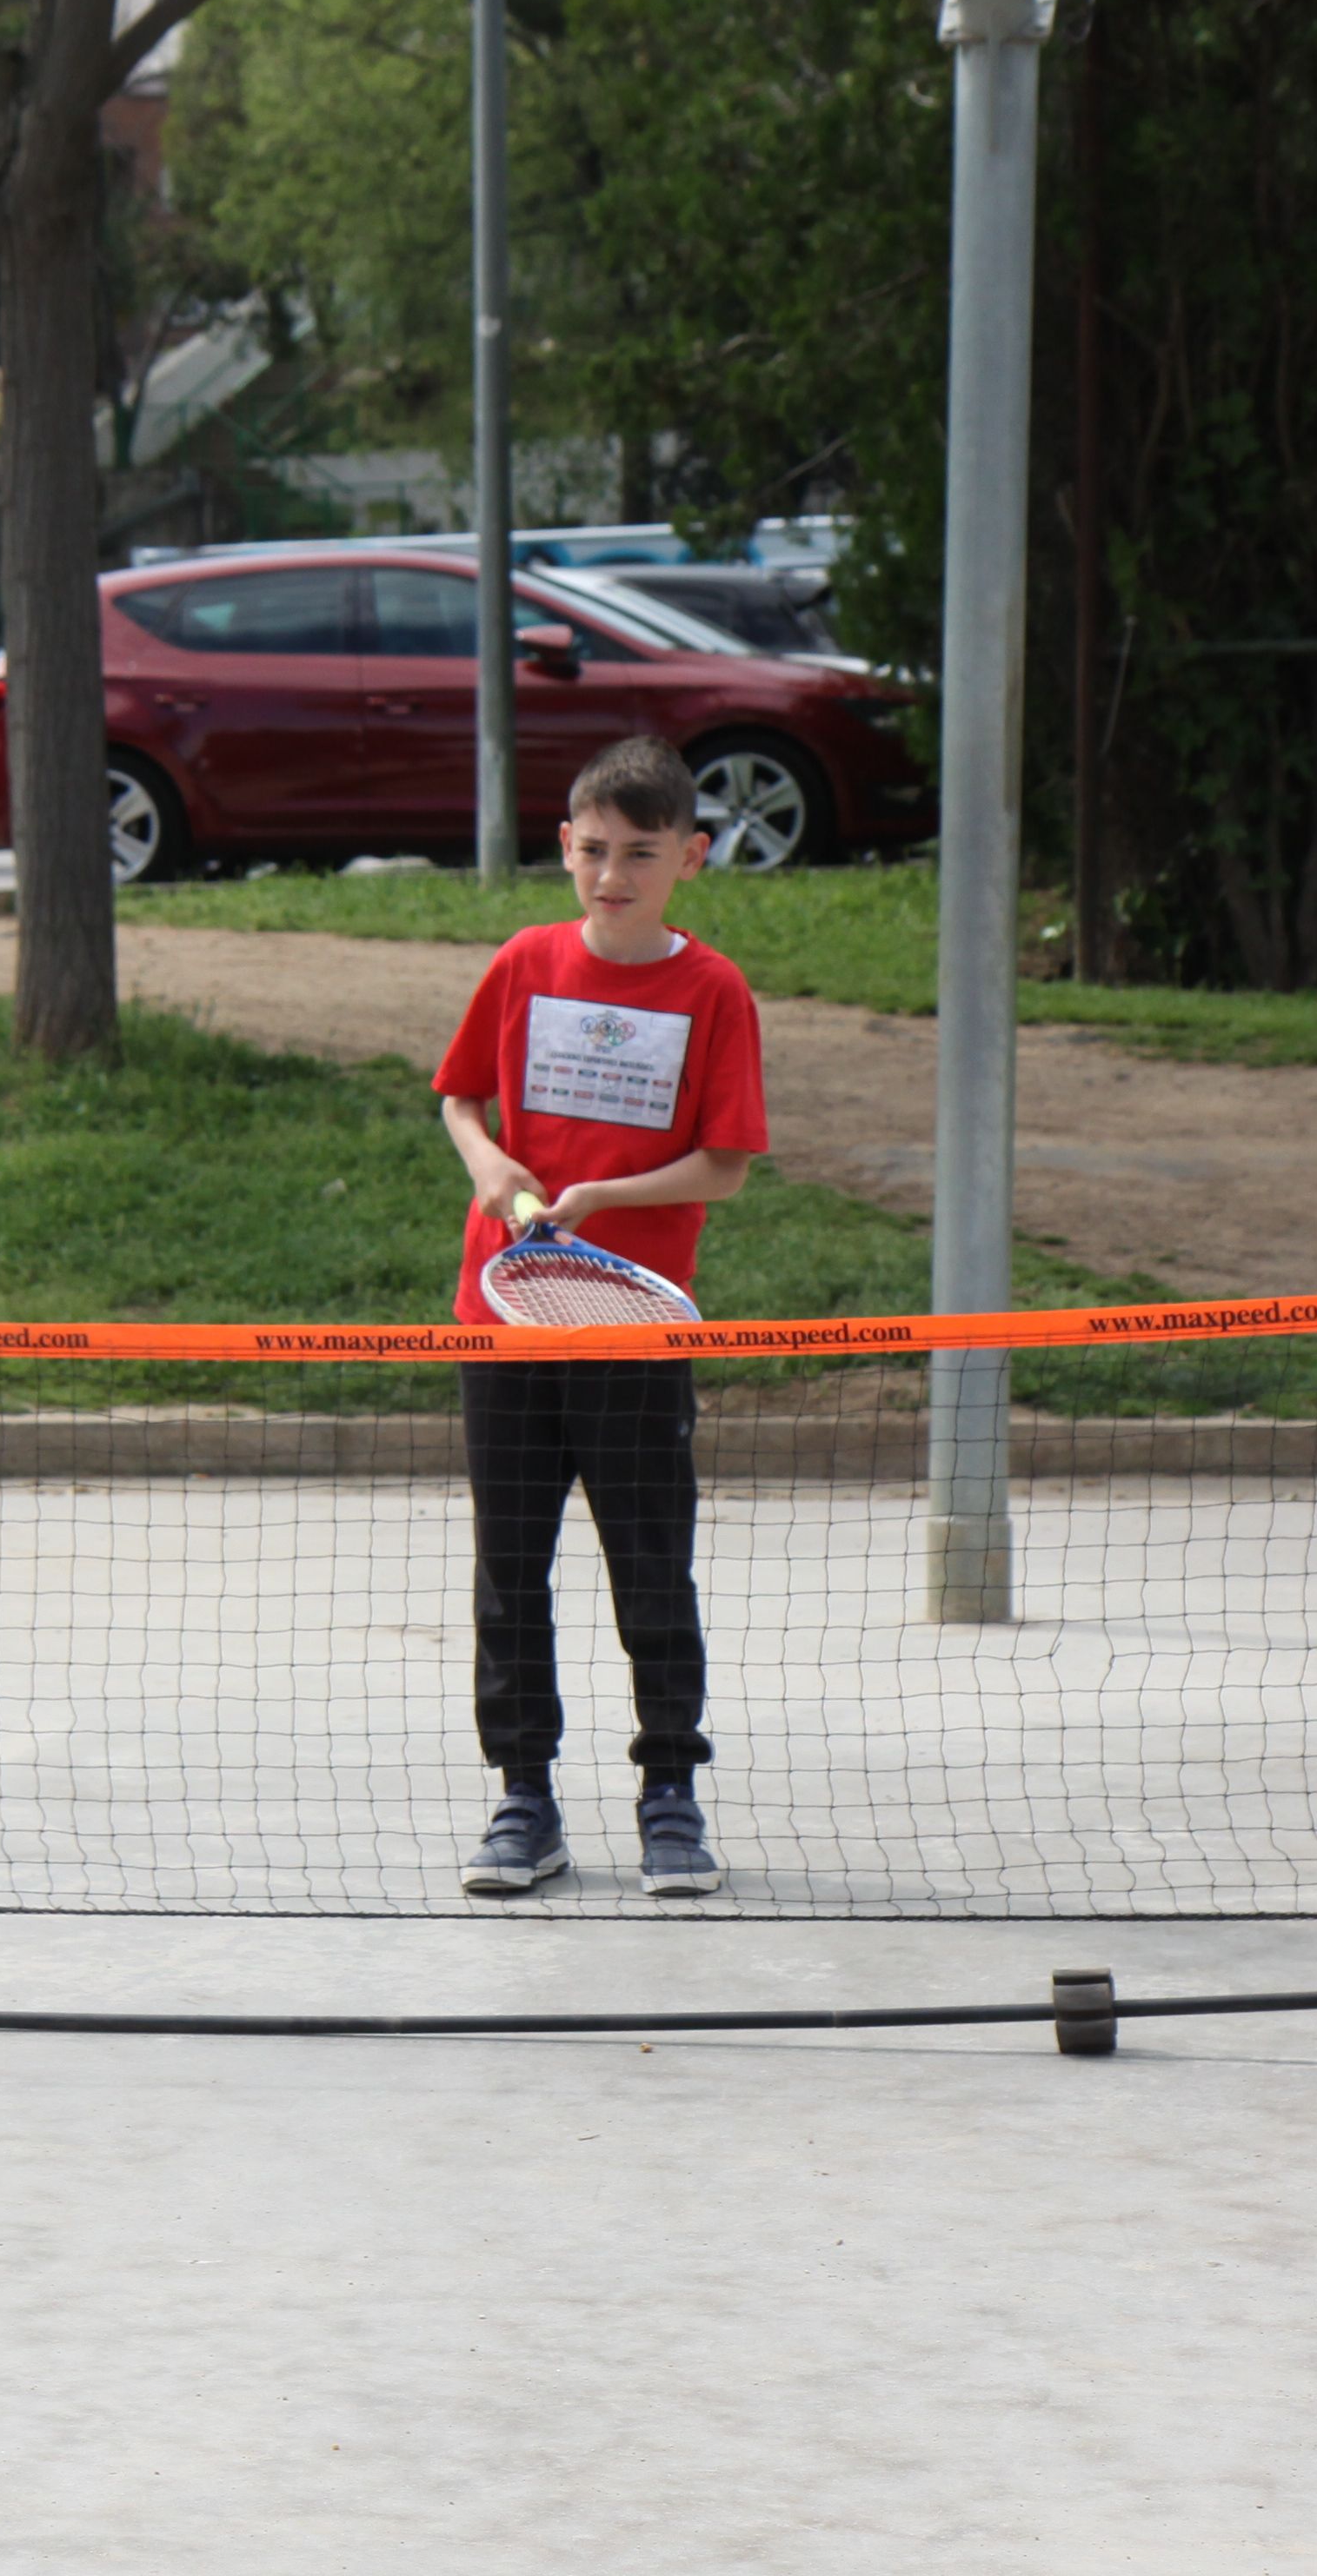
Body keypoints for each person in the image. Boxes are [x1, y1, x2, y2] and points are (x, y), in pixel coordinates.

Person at [430, 736, 769, 1897]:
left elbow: (722, 1169)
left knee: (650, 1570)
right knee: (508, 1570)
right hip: (506, 1320)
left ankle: (669, 1793)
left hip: (634, 1329)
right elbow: (459, 1096)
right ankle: (524, 1800)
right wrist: (486, 1165)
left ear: (692, 856)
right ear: (564, 846)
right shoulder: (525, 962)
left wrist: (604, 1199)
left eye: (640, 853)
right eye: (591, 850)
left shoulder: (712, 990)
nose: (611, 874)